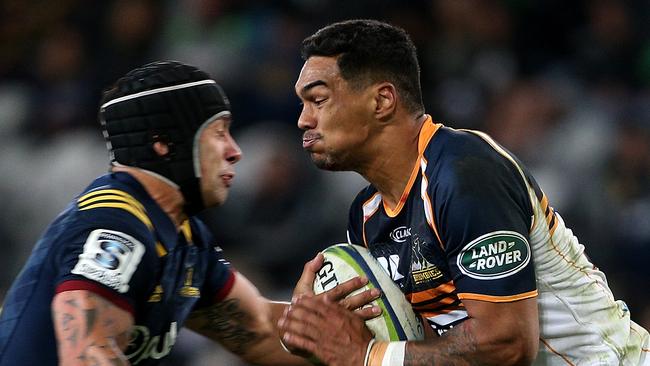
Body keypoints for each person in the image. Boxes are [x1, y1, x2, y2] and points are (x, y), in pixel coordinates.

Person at [278, 19, 650, 365]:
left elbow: (508, 342)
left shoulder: (464, 173)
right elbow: (422, 345)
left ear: (382, 100)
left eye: (319, 99)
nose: (303, 120)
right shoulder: (366, 217)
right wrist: (314, 328)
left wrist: (368, 355)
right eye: (302, 104)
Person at [0, 60, 377, 366]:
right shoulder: (116, 225)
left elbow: (259, 331)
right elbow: (86, 352)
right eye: (218, 133)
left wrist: (357, 347)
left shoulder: (185, 237)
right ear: (163, 143)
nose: (235, 151)